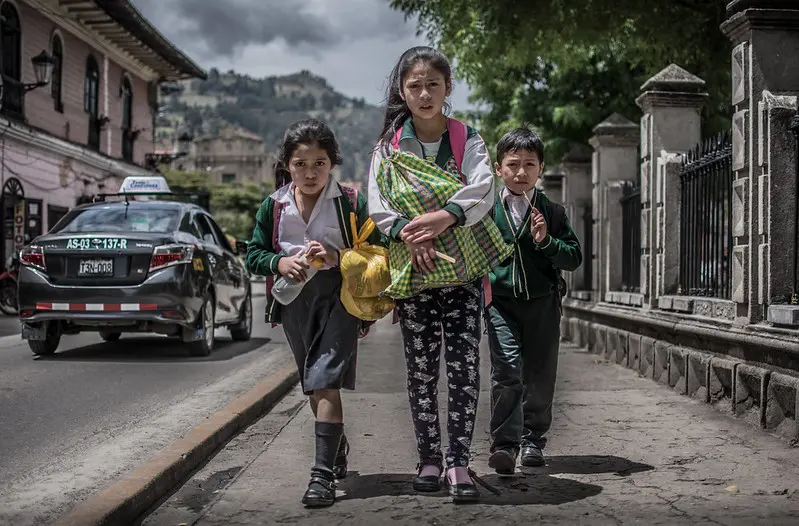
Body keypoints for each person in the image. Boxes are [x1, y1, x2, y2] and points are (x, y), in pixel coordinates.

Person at [368, 46, 497, 503]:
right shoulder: (388, 149)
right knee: (421, 371)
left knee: (463, 370)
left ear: (447, 88)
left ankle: (458, 462)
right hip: (415, 274)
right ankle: (428, 458)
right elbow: (378, 206)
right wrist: (411, 234)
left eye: (433, 85)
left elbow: (483, 190)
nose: (424, 94)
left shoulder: (468, 139)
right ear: (402, 92)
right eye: (415, 86)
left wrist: (444, 219)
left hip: (462, 276)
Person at [247, 119, 383, 507]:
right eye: (301, 164)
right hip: (293, 302)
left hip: (339, 300)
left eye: (319, 163)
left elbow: (376, 254)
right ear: (288, 165)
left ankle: (321, 477)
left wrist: (339, 258)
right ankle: (335, 444)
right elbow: (253, 254)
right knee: (312, 381)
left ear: (332, 163)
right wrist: (280, 263)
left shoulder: (350, 202)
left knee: (325, 381)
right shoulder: (273, 206)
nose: (310, 173)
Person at [485, 128, 582, 475]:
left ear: (541, 168)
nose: (521, 172)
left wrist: (546, 242)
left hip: (543, 303)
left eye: (529, 164)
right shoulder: (485, 210)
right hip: (500, 304)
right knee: (507, 370)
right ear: (499, 169)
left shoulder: (552, 211)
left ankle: (532, 440)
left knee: (540, 373)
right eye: (513, 164)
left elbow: (573, 258)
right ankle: (504, 445)